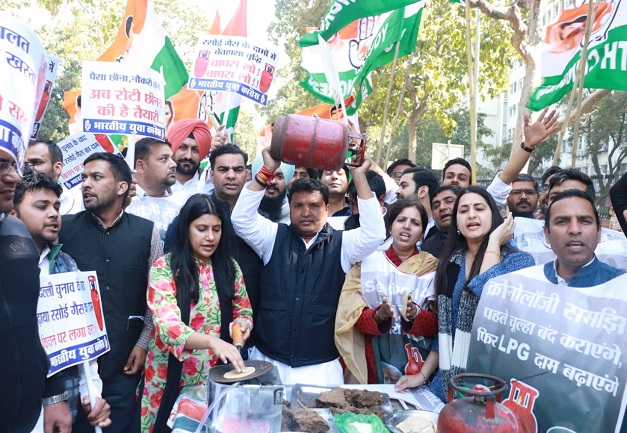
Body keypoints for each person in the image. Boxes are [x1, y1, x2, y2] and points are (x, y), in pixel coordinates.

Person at [231, 148, 386, 385]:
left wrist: (359, 176)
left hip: (320, 368)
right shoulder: (273, 236)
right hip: (267, 361)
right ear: (289, 207)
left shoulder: (342, 243)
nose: (306, 213)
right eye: (298, 205)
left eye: (314, 205)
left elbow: (375, 233)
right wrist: (267, 170)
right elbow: (240, 219)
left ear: (326, 208)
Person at [395, 186, 534, 401]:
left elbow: (488, 298)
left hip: (491, 386)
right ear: (456, 222)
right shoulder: (450, 263)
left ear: (494, 216)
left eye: (479, 208)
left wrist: (494, 242)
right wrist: (422, 375)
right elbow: (445, 330)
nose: (471, 215)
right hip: (445, 384)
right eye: (463, 210)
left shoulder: (519, 262)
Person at [59, 152, 163, 433]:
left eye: (96, 177)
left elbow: (157, 296)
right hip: (74, 369)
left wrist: (143, 343)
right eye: (83, 178)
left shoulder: (147, 232)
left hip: (124, 364)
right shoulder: (63, 230)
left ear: (121, 187)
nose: (86, 185)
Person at [141, 194, 252, 433]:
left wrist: (242, 326)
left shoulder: (229, 268)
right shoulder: (165, 268)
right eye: (201, 229)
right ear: (186, 228)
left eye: (216, 229)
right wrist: (212, 342)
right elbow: (169, 327)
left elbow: (243, 310)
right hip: (169, 376)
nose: (210, 237)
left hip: (214, 380)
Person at [12, 173, 112, 431]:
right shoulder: (6, 268)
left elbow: (84, 346)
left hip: (69, 411)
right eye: (41, 206)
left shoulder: (68, 265)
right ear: (13, 214)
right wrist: (49, 398)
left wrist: (93, 394)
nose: (54, 214)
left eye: (56, 206)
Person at [335, 200, 439, 385]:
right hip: (373, 359)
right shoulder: (367, 263)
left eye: (415, 223)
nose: (407, 226)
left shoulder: (432, 267)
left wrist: (416, 315)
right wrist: (380, 315)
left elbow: (438, 325)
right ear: (390, 226)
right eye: (401, 220)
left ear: (422, 233)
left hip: (418, 364)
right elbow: (352, 320)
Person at [0, 149, 50, 432]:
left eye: (13, 165)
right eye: (0, 165)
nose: (14, 177)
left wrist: (51, 390)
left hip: (27, 413)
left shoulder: (17, 230)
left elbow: (35, 322)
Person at [126, 137, 186, 242]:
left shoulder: (184, 202)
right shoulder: (123, 203)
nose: (173, 164)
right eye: (163, 159)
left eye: (172, 158)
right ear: (141, 166)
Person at [25, 139, 84, 215]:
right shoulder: (9, 205)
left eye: (36, 162)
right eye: (23, 164)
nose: (27, 168)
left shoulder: (81, 205)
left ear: (57, 168)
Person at [167, 119, 213, 197]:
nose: (188, 156)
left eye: (195, 150)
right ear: (172, 148)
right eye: (183, 147)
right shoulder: (157, 182)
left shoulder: (210, 184)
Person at [396, 167, 440, 239]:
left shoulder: (441, 232)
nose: (397, 191)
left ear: (422, 191)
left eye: (404, 186)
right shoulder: (395, 226)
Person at [251, 156, 295, 223]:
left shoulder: (295, 217)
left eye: (279, 176)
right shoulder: (244, 214)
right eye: (267, 176)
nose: (272, 182)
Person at [422, 185, 461, 258]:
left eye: (449, 201)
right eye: (436, 206)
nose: (442, 207)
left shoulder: (475, 238)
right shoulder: (427, 248)